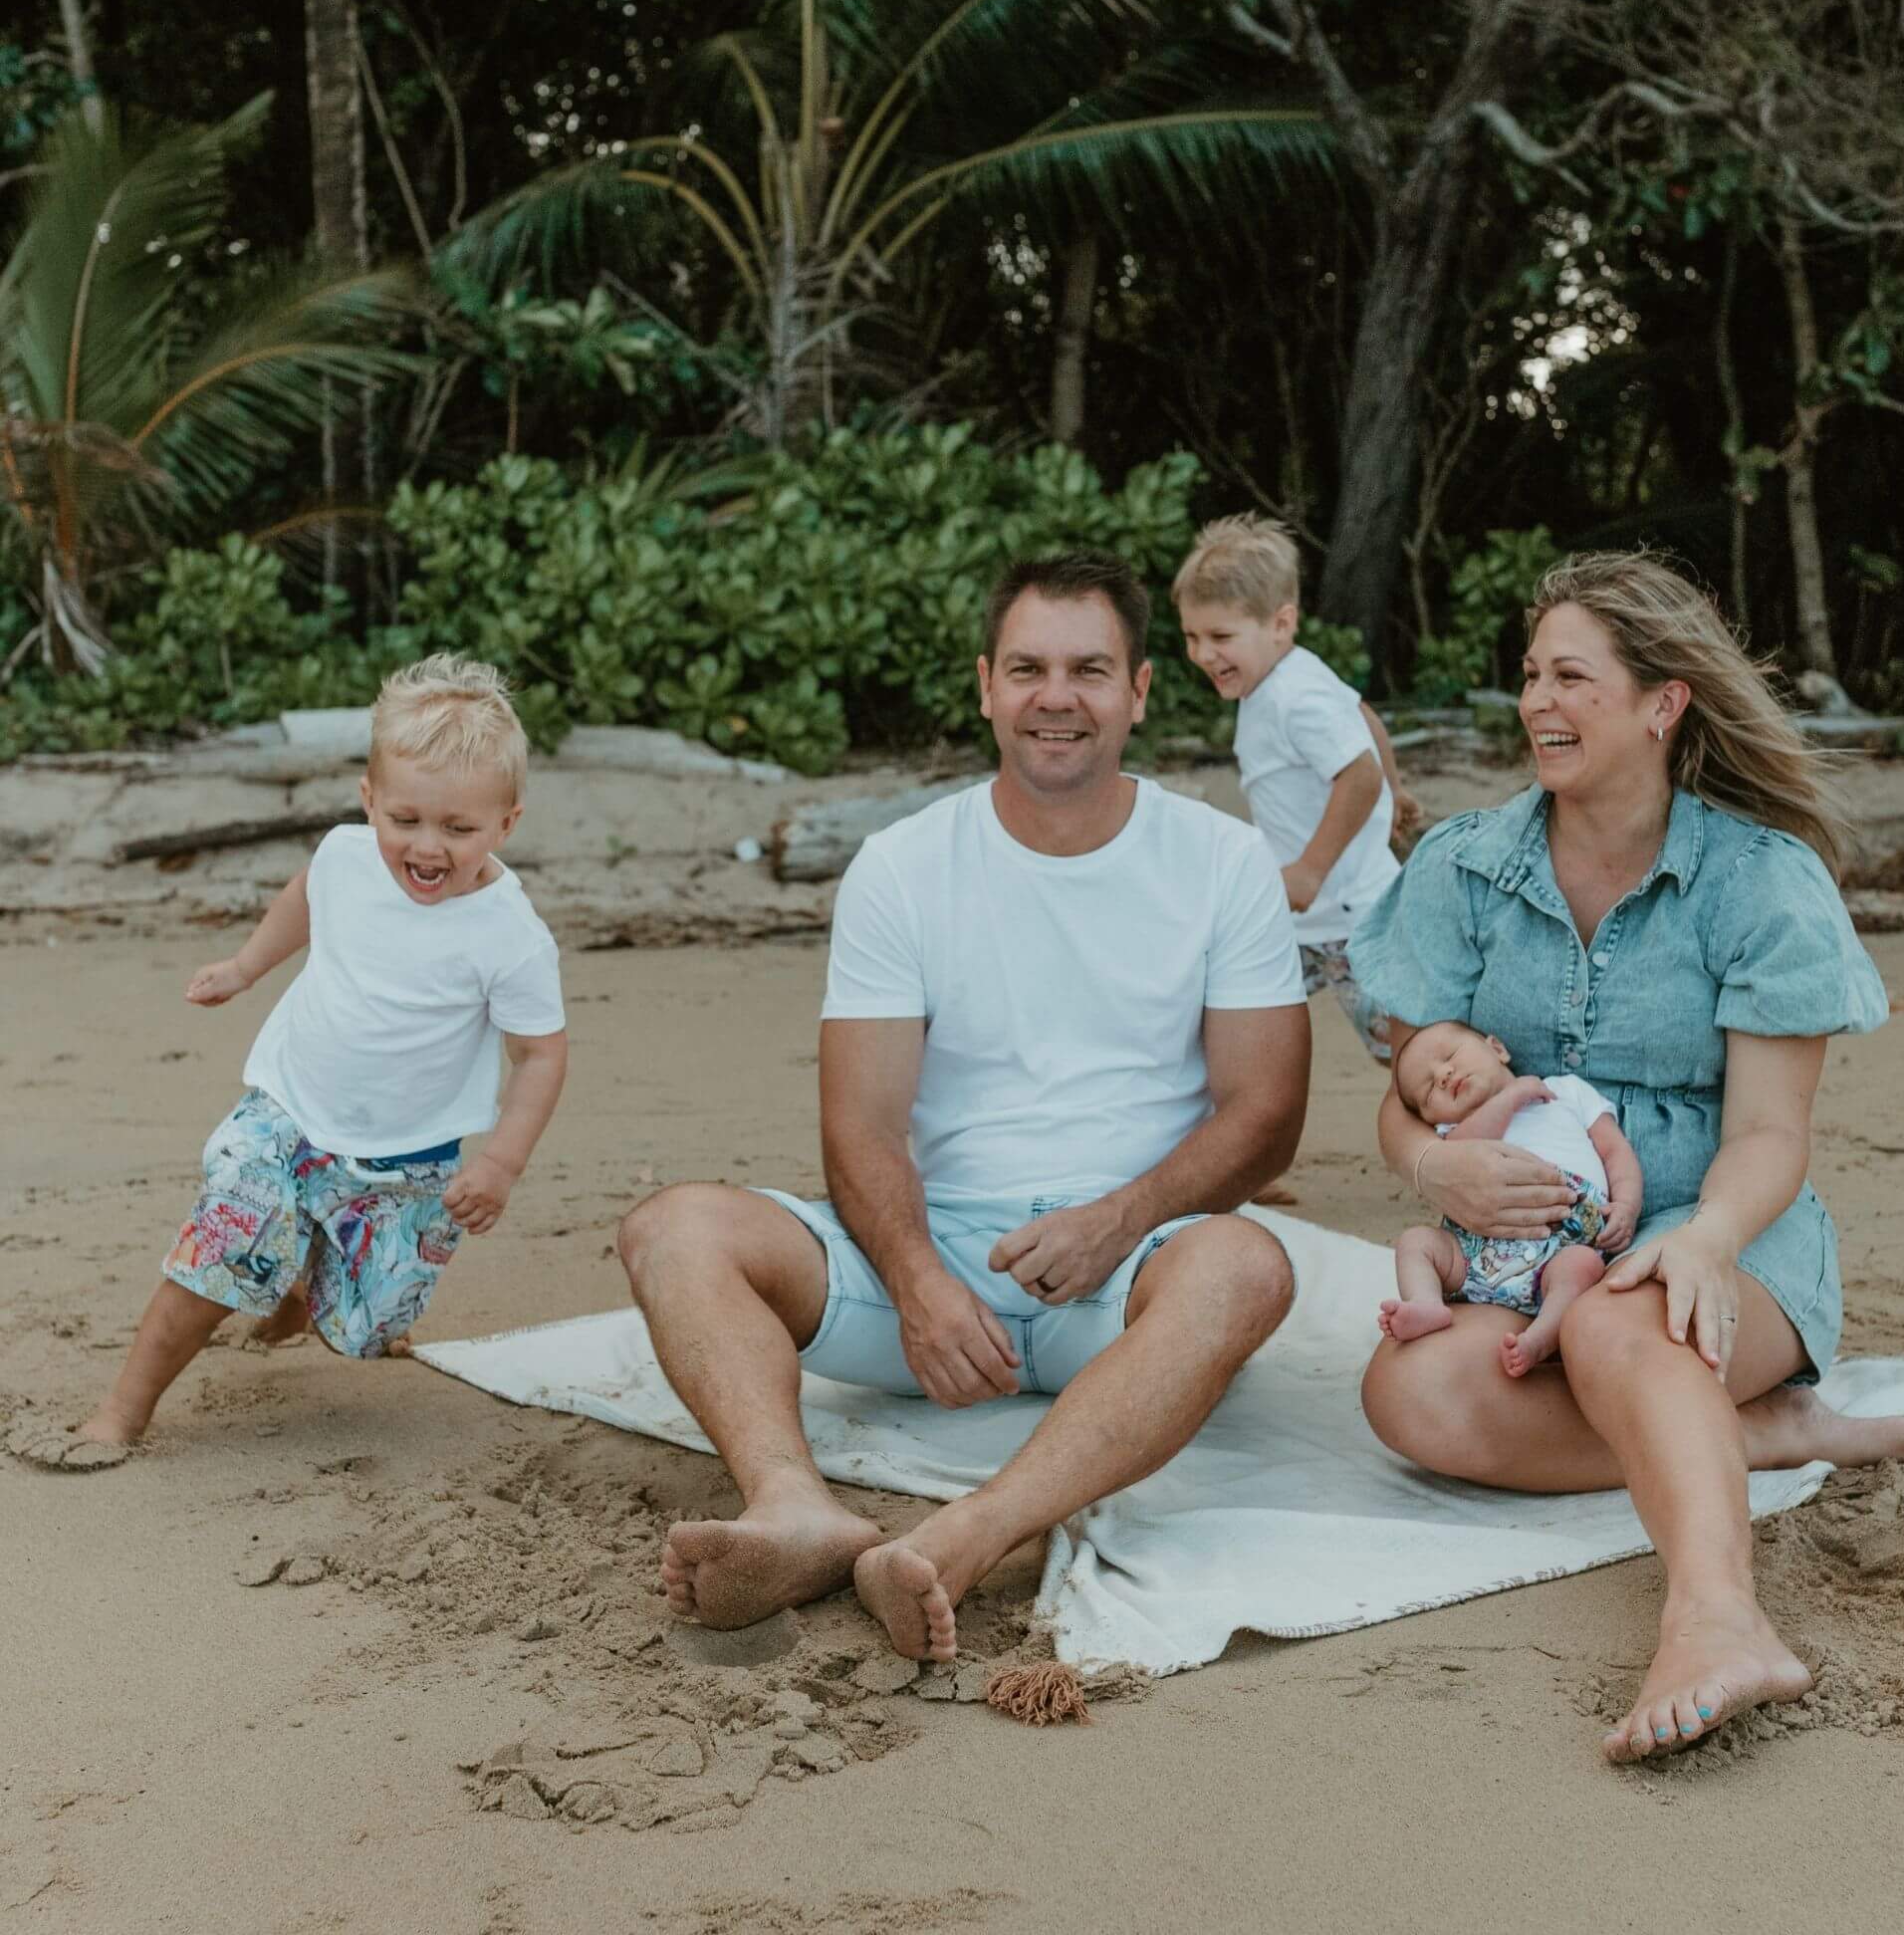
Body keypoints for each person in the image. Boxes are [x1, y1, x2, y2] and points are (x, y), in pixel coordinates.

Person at [617, 553, 1309, 1662]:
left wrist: (1118, 1219)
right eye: (1027, 667)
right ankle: (791, 1505)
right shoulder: (903, 865)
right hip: (933, 1262)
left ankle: (965, 1535)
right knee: (673, 1228)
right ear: (986, 685)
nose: (1056, 696)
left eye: (1089, 669)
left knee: (1250, 1265)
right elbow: (862, 1126)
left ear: (1137, 692)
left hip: (1131, 1271)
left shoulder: (1221, 861)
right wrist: (919, 1282)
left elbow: (1265, 1113)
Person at [1350, 553, 1904, 1764]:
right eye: (1530, 674)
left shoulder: (1759, 879)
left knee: (1619, 1322)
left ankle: (1716, 1616)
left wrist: (1698, 1236)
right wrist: (1432, 1173)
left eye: (1572, 677)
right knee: (1407, 1390)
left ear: (1661, 700)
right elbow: (1407, 1096)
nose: (1537, 701)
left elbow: (1767, 1135)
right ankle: (1757, 1429)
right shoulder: (1464, 865)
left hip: (1724, 1232)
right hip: (1521, 1257)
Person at [60, 654, 569, 1461]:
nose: (426, 848)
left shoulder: (509, 936)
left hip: (410, 1156)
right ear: (369, 801)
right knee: (222, 1246)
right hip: (289, 1113)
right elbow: (306, 895)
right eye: (404, 820)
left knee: (370, 1328)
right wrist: (244, 967)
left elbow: (540, 1054)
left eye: (459, 829)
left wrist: (502, 1161)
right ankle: (123, 1409)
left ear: (506, 823)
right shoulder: (345, 854)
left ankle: (305, 1279)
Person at [1173, 513, 1412, 1062]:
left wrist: (1310, 868)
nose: (1203, 655)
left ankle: (1468, 1131)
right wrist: (1396, 795)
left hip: (1350, 916)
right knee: (1226, 1016)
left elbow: (1358, 772)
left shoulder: (1291, 697)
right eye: (1192, 637)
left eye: (1220, 637)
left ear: (1281, 624)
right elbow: (1364, 714)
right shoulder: (1291, 676)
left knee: (1403, 1050)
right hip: (1298, 917)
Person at [1379, 1020, 1642, 1378]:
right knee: (1416, 1243)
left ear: (1497, 1048)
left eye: (1450, 1055)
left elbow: (1615, 1151)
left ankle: (1542, 1335)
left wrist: (1626, 1205)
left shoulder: (1567, 1092)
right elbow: (1463, 1151)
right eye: (1428, 1091)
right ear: (1431, 1118)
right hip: (1476, 1254)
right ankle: (1426, 1302)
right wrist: (1510, 1097)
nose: (1443, 1074)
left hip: (1563, 1238)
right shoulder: (1453, 1133)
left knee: (1582, 1267)